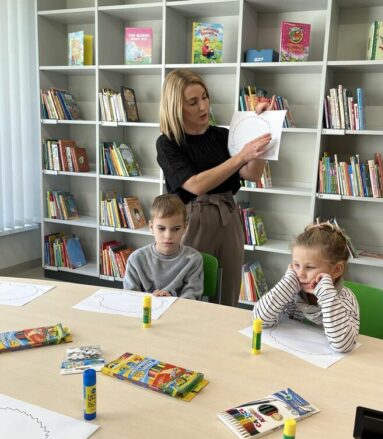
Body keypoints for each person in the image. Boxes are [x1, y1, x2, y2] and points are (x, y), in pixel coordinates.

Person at [156, 69, 274, 307]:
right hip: (192, 217)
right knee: (188, 291)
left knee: (228, 290)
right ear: (176, 107)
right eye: (193, 102)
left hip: (228, 214)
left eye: (205, 97)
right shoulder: (168, 143)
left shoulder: (222, 136)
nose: (203, 106)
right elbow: (196, 184)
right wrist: (241, 156)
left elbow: (252, 173)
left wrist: (263, 129)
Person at [253, 220, 360, 353]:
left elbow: (342, 345)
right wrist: (285, 285)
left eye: (310, 267)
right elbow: (260, 320)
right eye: (296, 265)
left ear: (336, 270)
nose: (300, 274)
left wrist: (326, 295)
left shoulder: (346, 300)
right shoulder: (290, 291)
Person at [123, 193, 203, 300]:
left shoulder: (194, 259)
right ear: (151, 227)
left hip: (178, 310)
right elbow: (130, 297)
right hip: (145, 310)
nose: (168, 236)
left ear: (185, 228)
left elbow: (192, 296)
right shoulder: (136, 259)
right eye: (161, 228)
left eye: (176, 229)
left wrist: (171, 300)